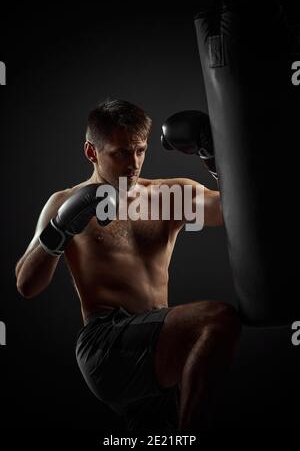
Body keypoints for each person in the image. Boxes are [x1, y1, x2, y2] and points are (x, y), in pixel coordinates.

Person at [15, 99, 241, 432]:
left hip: (160, 347)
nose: (133, 164)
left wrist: (213, 157)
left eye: (140, 151)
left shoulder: (169, 195)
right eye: (121, 153)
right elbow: (26, 284)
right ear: (92, 152)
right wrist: (60, 230)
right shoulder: (64, 203)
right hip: (106, 345)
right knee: (218, 320)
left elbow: (234, 213)